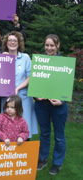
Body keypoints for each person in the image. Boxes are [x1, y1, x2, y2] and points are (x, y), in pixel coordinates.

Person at [35, 34, 68, 175]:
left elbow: (67, 85)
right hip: (42, 104)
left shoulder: (65, 63)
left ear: (58, 45)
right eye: (47, 45)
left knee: (59, 136)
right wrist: (36, 94)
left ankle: (57, 163)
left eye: (52, 45)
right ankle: (43, 159)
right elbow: (35, 82)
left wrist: (62, 100)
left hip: (58, 105)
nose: (49, 48)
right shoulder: (39, 61)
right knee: (44, 133)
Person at [0, 31, 38, 139]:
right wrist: (2, 59)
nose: (12, 43)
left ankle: (24, 153)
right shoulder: (1, 58)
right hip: (7, 97)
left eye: (15, 41)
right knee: (7, 126)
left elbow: (29, 77)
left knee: (25, 126)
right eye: (10, 40)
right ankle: (9, 153)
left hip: (23, 97)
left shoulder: (25, 58)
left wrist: (18, 88)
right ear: (6, 43)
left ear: (19, 43)